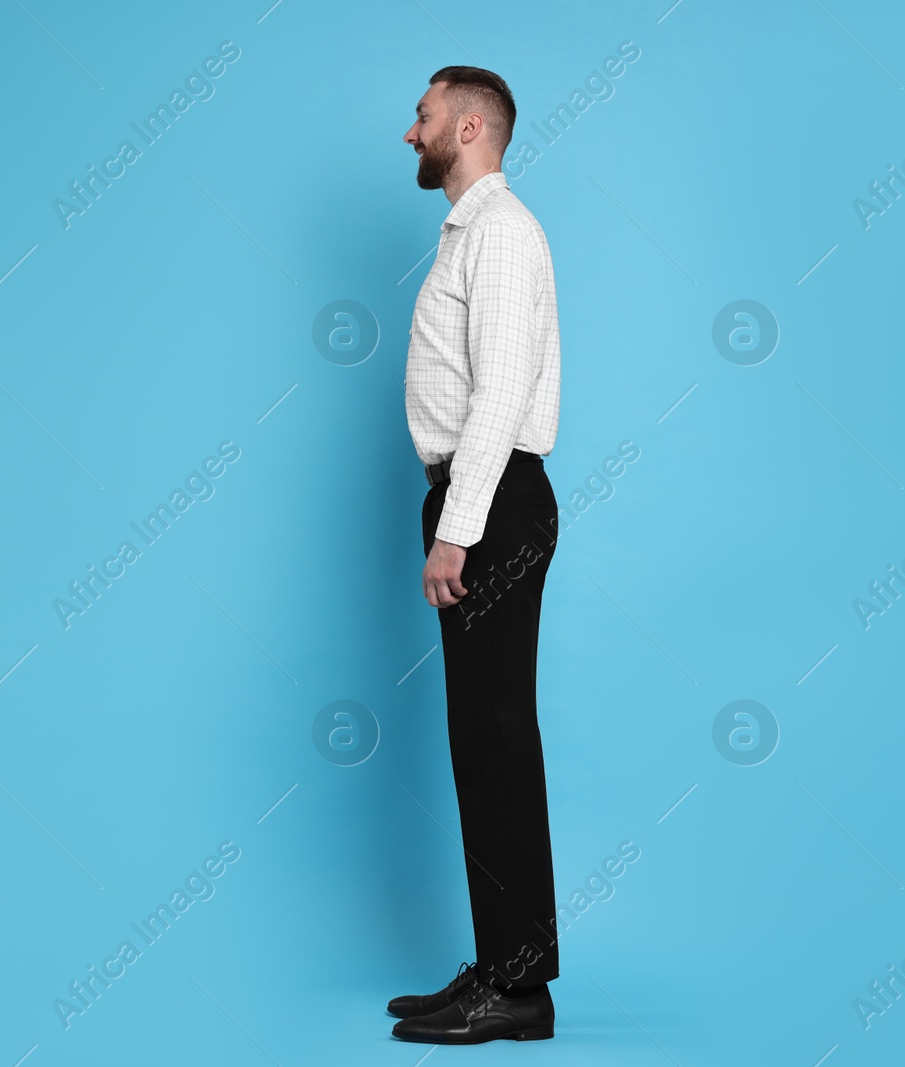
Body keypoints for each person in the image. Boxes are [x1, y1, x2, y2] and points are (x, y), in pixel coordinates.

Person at [387, 65, 563, 1045]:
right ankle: (501, 966)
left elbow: (498, 392)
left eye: (420, 117)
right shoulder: (472, 234)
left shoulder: (498, 232)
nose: (407, 134)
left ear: (465, 126)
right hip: (476, 498)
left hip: (487, 502)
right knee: (480, 742)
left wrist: (456, 527)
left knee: (494, 738)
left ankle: (519, 986)